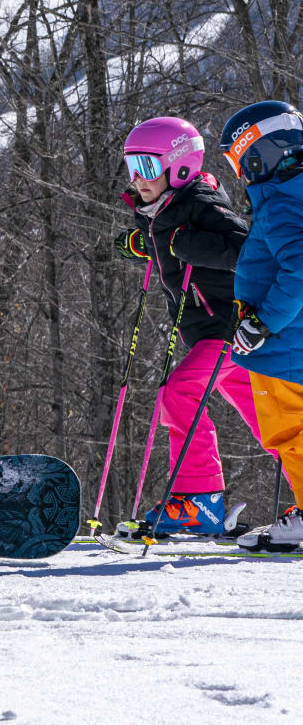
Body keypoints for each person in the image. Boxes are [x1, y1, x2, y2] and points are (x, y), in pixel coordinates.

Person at [114, 115, 263, 535]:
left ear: (180, 166)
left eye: (147, 168)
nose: (139, 180)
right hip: (207, 331)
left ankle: (200, 502)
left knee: (179, 392)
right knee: (268, 418)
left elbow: (244, 249)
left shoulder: (203, 205)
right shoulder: (162, 209)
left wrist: (189, 244)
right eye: (132, 168)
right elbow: (167, 241)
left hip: (229, 327)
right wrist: (141, 243)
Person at [218, 101, 303, 551]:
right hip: (291, 341)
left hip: (283, 346)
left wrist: (263, 323)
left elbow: (301, 267)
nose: (241, 173)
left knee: (289, 432)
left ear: (260, 154)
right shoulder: (295, 195)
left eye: (239, 161)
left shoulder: (280, 205)